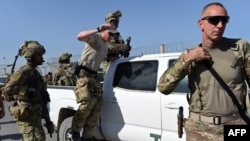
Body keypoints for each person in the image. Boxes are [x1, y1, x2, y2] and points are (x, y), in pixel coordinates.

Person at [157, 2, 250, 141]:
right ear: (201, 24)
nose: (220, 25)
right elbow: (163, 87)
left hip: (235, 125)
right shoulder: (189, 55)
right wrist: (188, 59)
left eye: (224, 20)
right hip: (199, 129)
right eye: (214, 20)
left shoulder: (239, 48)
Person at [71, 23, 119, 141]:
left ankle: (87, 136)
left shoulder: (105, 46)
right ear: (103, 31)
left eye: (113, 35)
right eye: (110, 34)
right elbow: (79, 36)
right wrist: (97, 29)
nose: (111, 37)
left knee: (96, 107)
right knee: (87, 103)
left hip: (94, 77)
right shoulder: (95, 38)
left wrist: (113, 59)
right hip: (84, 76)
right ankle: (75, 130)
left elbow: (103, 58)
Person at [2, 40, 50, 141]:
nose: (42, 58)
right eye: (39, 55)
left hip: (35, 114)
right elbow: (8, 90)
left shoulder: (35, 72)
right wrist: (27, 92)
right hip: (26, 115)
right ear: (31, 56)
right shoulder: (24, 71)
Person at [102, 10, 131, 74]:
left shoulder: (117, 34)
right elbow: (108, 47)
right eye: (115, 22)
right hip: (109, 63)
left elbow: (121, 48)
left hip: (118, 62)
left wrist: (126, 49)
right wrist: (123, 47)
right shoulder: (105, 33)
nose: (117, 24)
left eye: (117, 21)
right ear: (110, 21)